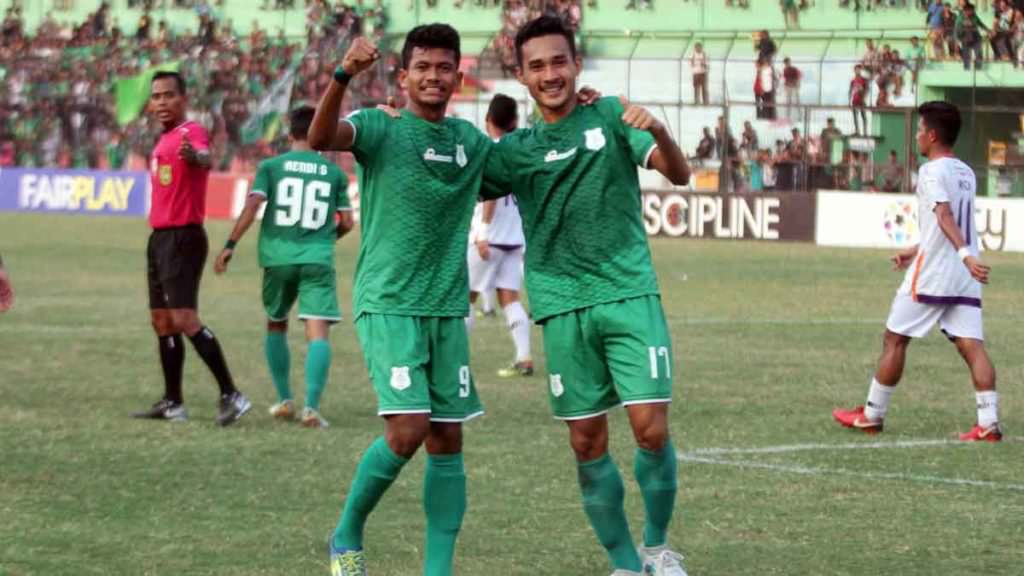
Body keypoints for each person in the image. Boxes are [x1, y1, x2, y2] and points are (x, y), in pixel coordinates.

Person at [487, 16, 692, 576]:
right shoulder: (515, 149)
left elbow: (678, 174)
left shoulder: (612, 114)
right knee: (586, 441)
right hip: (560, 305)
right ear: (522, 76)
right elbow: (453, 180)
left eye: (559, 61)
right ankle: (625, 563)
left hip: (628, 293)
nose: (550, 74)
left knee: (651, 428)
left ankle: (657, 548)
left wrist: (664, 132)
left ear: (576, 64)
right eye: (537, 66)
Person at [309, 28, 492, 576]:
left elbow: (518, 167)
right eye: (423, 67)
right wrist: (343, 76)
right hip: (389, 302)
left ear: (457, 78)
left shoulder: (471, 142)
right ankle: (346, 534)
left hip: (445, 308)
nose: (433, 76)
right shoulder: (379, 126)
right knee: (408, 429)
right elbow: (321, 136)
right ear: (404, 75)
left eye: (443, 68)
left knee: (447, 437)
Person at [833, 101, 1000, 442]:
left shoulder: (931, 172)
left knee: (895, 339)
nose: (917, 137)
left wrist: (965, 254)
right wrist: (917, 249)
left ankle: (872, 415)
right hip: (962, 276)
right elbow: (946, 225)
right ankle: (989, 423)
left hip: (937, 273)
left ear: (934, 135)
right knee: (972, 345)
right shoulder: (965, 171)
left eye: (921, 131)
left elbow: (944, 216)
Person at [213, 105, 355, 428]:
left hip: (278, 259)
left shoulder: (271, 167)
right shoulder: (333, 173)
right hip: (317, 259)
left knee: (276, 322)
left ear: (290, 133)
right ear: (322, 132)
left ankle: (284, 400)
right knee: (317, 331)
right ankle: (312, 408)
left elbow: (253, 206)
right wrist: (326, 238)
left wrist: (230, 245)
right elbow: (347, 221)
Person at [132, 71, 251, 426]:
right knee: (162, 321)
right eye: (156, 97)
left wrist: (196, 157)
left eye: (169, 95)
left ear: (183, 99)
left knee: (184, 318)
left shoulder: (191, 132)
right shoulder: (165, 138)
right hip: (160, 238)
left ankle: (232, 394)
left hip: (183, 237)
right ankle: (173, 402)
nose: (162, 102)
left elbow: (203, 155)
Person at [465, 94, 533, 378]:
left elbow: (490, 197)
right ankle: (524, 357)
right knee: (510, 298)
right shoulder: (520, 151)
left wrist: (481, 231)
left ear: (487, 120)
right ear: (515, 121)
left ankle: (453, 360)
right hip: (514, 238)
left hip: (489, 238)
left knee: (463, 298)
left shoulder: (490, 150)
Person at [956, 2, 987, 69]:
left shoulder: (974, 16)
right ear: (966, 11)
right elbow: (956, 30)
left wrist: (988, 30)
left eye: (973, 11)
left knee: (978, 54)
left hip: (976, 38)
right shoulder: (960, 18)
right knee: (966, 56)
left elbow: (980, 24)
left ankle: (978, 69)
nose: (972, 12)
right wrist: (957, 41)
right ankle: (967, 70)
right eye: (971, 10)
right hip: (965, 38)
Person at [849, 64, 868, 136]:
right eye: (856, 69)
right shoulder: (853, 80)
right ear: (854, 71)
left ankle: (865, 132)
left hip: (862, 100)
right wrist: (849, 100)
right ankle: (857, 131)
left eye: (859, 69)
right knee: (855, 117)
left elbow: (866, 89)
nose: (858, 71)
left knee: (863, 116)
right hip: (855, 100)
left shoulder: (863, 80)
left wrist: (864, 96)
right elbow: (850, 90)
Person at [782, 57, 801, 121]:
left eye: (787, 62)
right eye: (786, 63)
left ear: (789, 62)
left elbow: (798, 77)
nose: (787, 64)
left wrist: (797, 84)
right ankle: (788, 116)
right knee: (788, 101)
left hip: (794, 87)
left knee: (796, 101)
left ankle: (799, 115)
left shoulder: (794, 69)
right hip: (788, 87)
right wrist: (786, 85)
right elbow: (785, 78)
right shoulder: (785, 70)